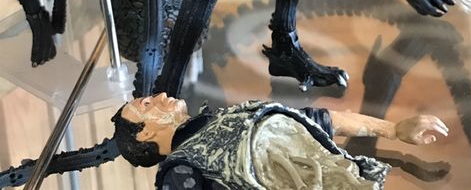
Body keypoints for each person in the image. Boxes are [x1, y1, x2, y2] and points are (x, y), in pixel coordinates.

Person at [112, 92, 448, 189]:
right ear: (145, 132)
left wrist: (393, 129)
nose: (160, 96)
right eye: (147, 105)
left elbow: (317, 120)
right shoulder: (180, 169)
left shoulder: (229, 117)